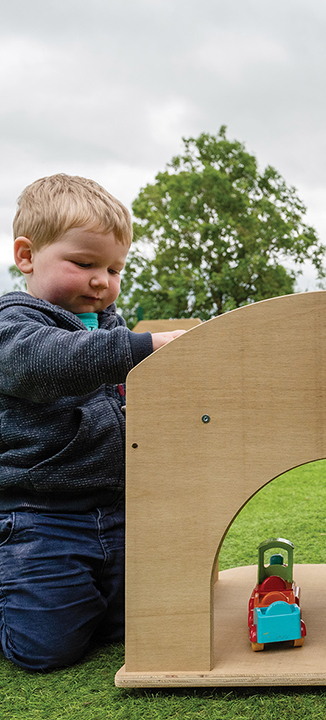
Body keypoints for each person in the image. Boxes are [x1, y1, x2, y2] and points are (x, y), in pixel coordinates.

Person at [0, 174, 185, 670]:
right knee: (46, 650)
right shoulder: (13, 326)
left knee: (133, 624)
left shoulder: (109, 327)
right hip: (40, 516)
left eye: (114, 268)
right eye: (83, 264)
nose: (102, 280)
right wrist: (144, 348)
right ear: (27, 255)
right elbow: (48, 362)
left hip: (117, 511)